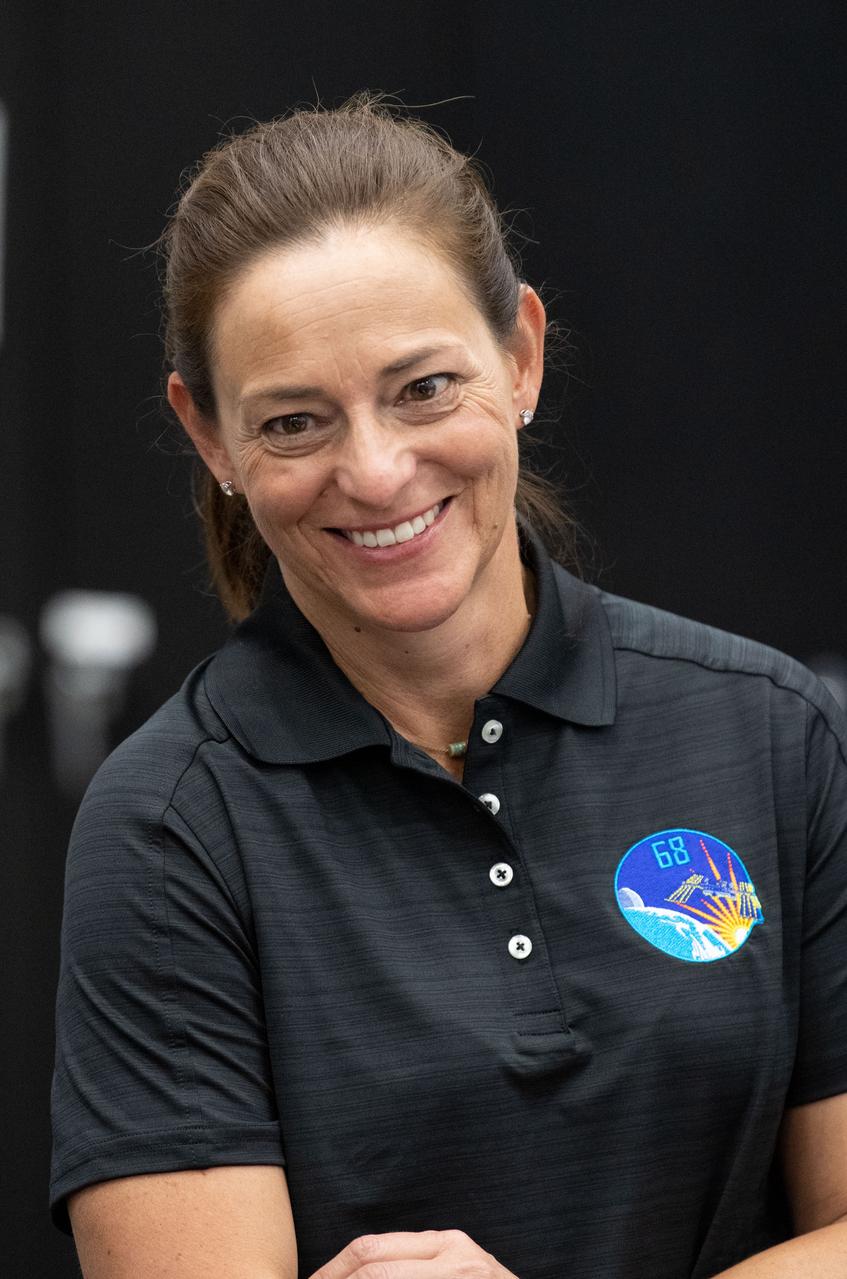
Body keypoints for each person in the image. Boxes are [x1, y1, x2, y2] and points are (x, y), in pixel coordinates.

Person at [50, 93, 847, 1279]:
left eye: (423, 387)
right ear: (211, 438)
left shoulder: (769, 730)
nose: (374, 471)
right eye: (294, 420)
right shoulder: (171, 828)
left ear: (520, 354)